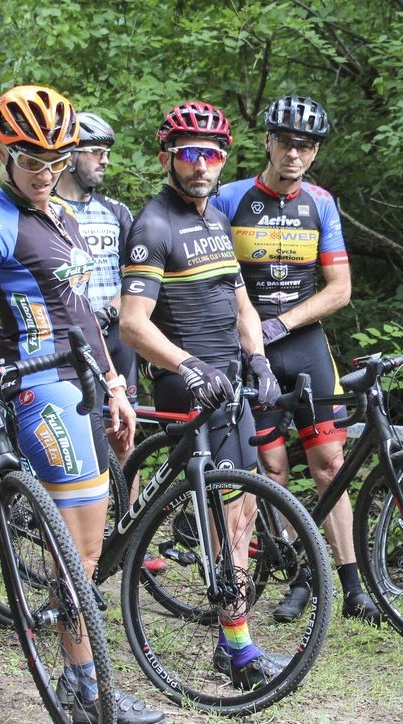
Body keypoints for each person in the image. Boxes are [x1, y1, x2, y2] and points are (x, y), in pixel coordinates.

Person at [0, 84, 164, 724]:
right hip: (36, 389)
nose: (45, 176)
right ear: (4, 151)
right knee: (77, 546)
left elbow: (82, 316)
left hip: (82, 382)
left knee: (90, 547)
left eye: (56, 162)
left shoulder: (64, 218)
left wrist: (118, 387)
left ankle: (80, 673)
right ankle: (84, 682)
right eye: (32, 163)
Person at [119, 100, 287, 689]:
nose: (202, 165)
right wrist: (189, 365)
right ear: (167, 157)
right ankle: (238, 646)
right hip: (185, 380)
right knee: (222, 511)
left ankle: (230, 638)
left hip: (229, 379)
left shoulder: (216, 218)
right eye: (190, 153)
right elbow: (133, 324)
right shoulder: (153, 225)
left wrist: (259, 359)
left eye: (212, 154)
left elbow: (240, 301)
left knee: (241, 509)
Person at [211, 95, 378, 623]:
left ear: (315, 153)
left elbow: (342, 289)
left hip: (304, 345)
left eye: (304, 147)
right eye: (285, 142)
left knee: (330, 465)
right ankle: (298, 569)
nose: (294, 154)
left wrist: (282, 322)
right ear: (267, 142)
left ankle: (351, 583)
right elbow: (207, 277)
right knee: (271, 469)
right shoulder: (229, 198)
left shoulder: (321, 204)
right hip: (248, 351)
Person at [52, 111, 138, 410]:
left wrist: (108, 313)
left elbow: (134, 278)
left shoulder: (116, 212)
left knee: (122, 428)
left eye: (108, 153)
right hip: (65, 337)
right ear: (71, 157)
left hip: (115, 334)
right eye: (97, 152)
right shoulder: (45, 208)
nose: (106, 160)